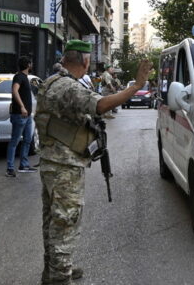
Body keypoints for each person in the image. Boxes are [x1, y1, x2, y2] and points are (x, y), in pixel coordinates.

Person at [37, 40, 152, 284]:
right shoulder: (68, 87)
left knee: (53, 221)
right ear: (85, 60)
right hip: (64, 166)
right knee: (65, 222)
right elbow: (100, 105)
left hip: (52, 162)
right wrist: (137, 86)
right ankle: (59, 278)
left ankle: (55, 270)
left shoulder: (52, 82)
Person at [6, 57, 38, 177]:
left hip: (27, 115)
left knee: (27, 139)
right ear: (28, 65)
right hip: (20, 114)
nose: (32, 64)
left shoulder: (24, 77)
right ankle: (10, 168)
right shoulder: (19, 76)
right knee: (15, 141)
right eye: (31, 63)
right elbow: (15, 91)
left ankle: (23, 165)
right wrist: (22, 107)